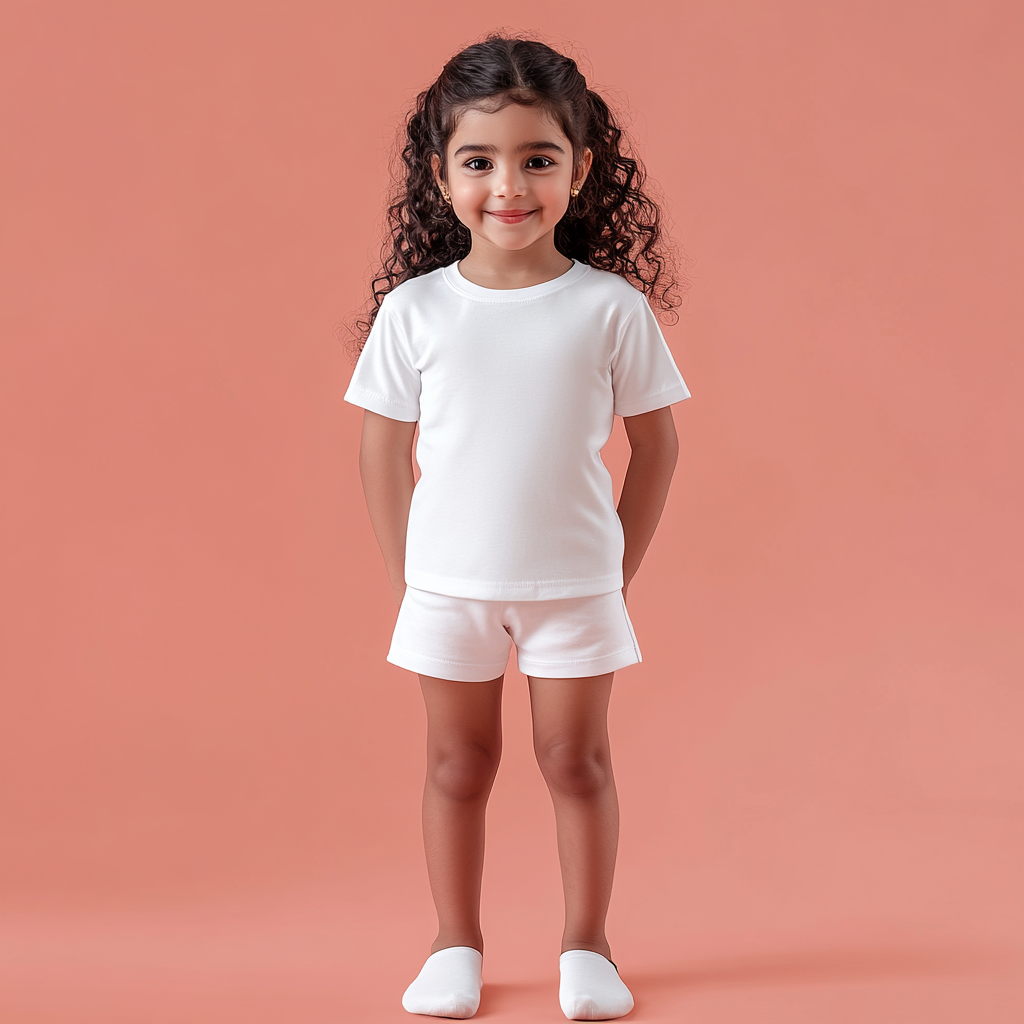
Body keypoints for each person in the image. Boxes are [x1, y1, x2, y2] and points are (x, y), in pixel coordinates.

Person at [344, 32, 691, 1021]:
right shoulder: (415, 312)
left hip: (575, 584)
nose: (509, 185)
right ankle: (455, 941)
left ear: (580, 168)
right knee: (458, 764)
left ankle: (587, 946)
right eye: (479, 160)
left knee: (574, 761)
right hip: (447, 586)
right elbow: (381, 449)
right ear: (439, 170)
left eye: (537, 158)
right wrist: (408, 573)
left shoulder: (609, 308)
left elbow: (657, 448)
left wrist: (615, 571)